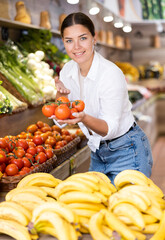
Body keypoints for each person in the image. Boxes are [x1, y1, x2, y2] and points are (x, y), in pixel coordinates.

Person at [54, 12, 153, 184]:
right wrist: (61, 97)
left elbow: (111, 128)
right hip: (98, 152)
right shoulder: (67, 71)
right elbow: (61, 121)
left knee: (127, 208)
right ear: (63, 42)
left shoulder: (110, 73)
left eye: (82, 38)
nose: (76, 46)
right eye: (69, 40)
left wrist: (83, 117)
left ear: (94, 38)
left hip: (127, 151)